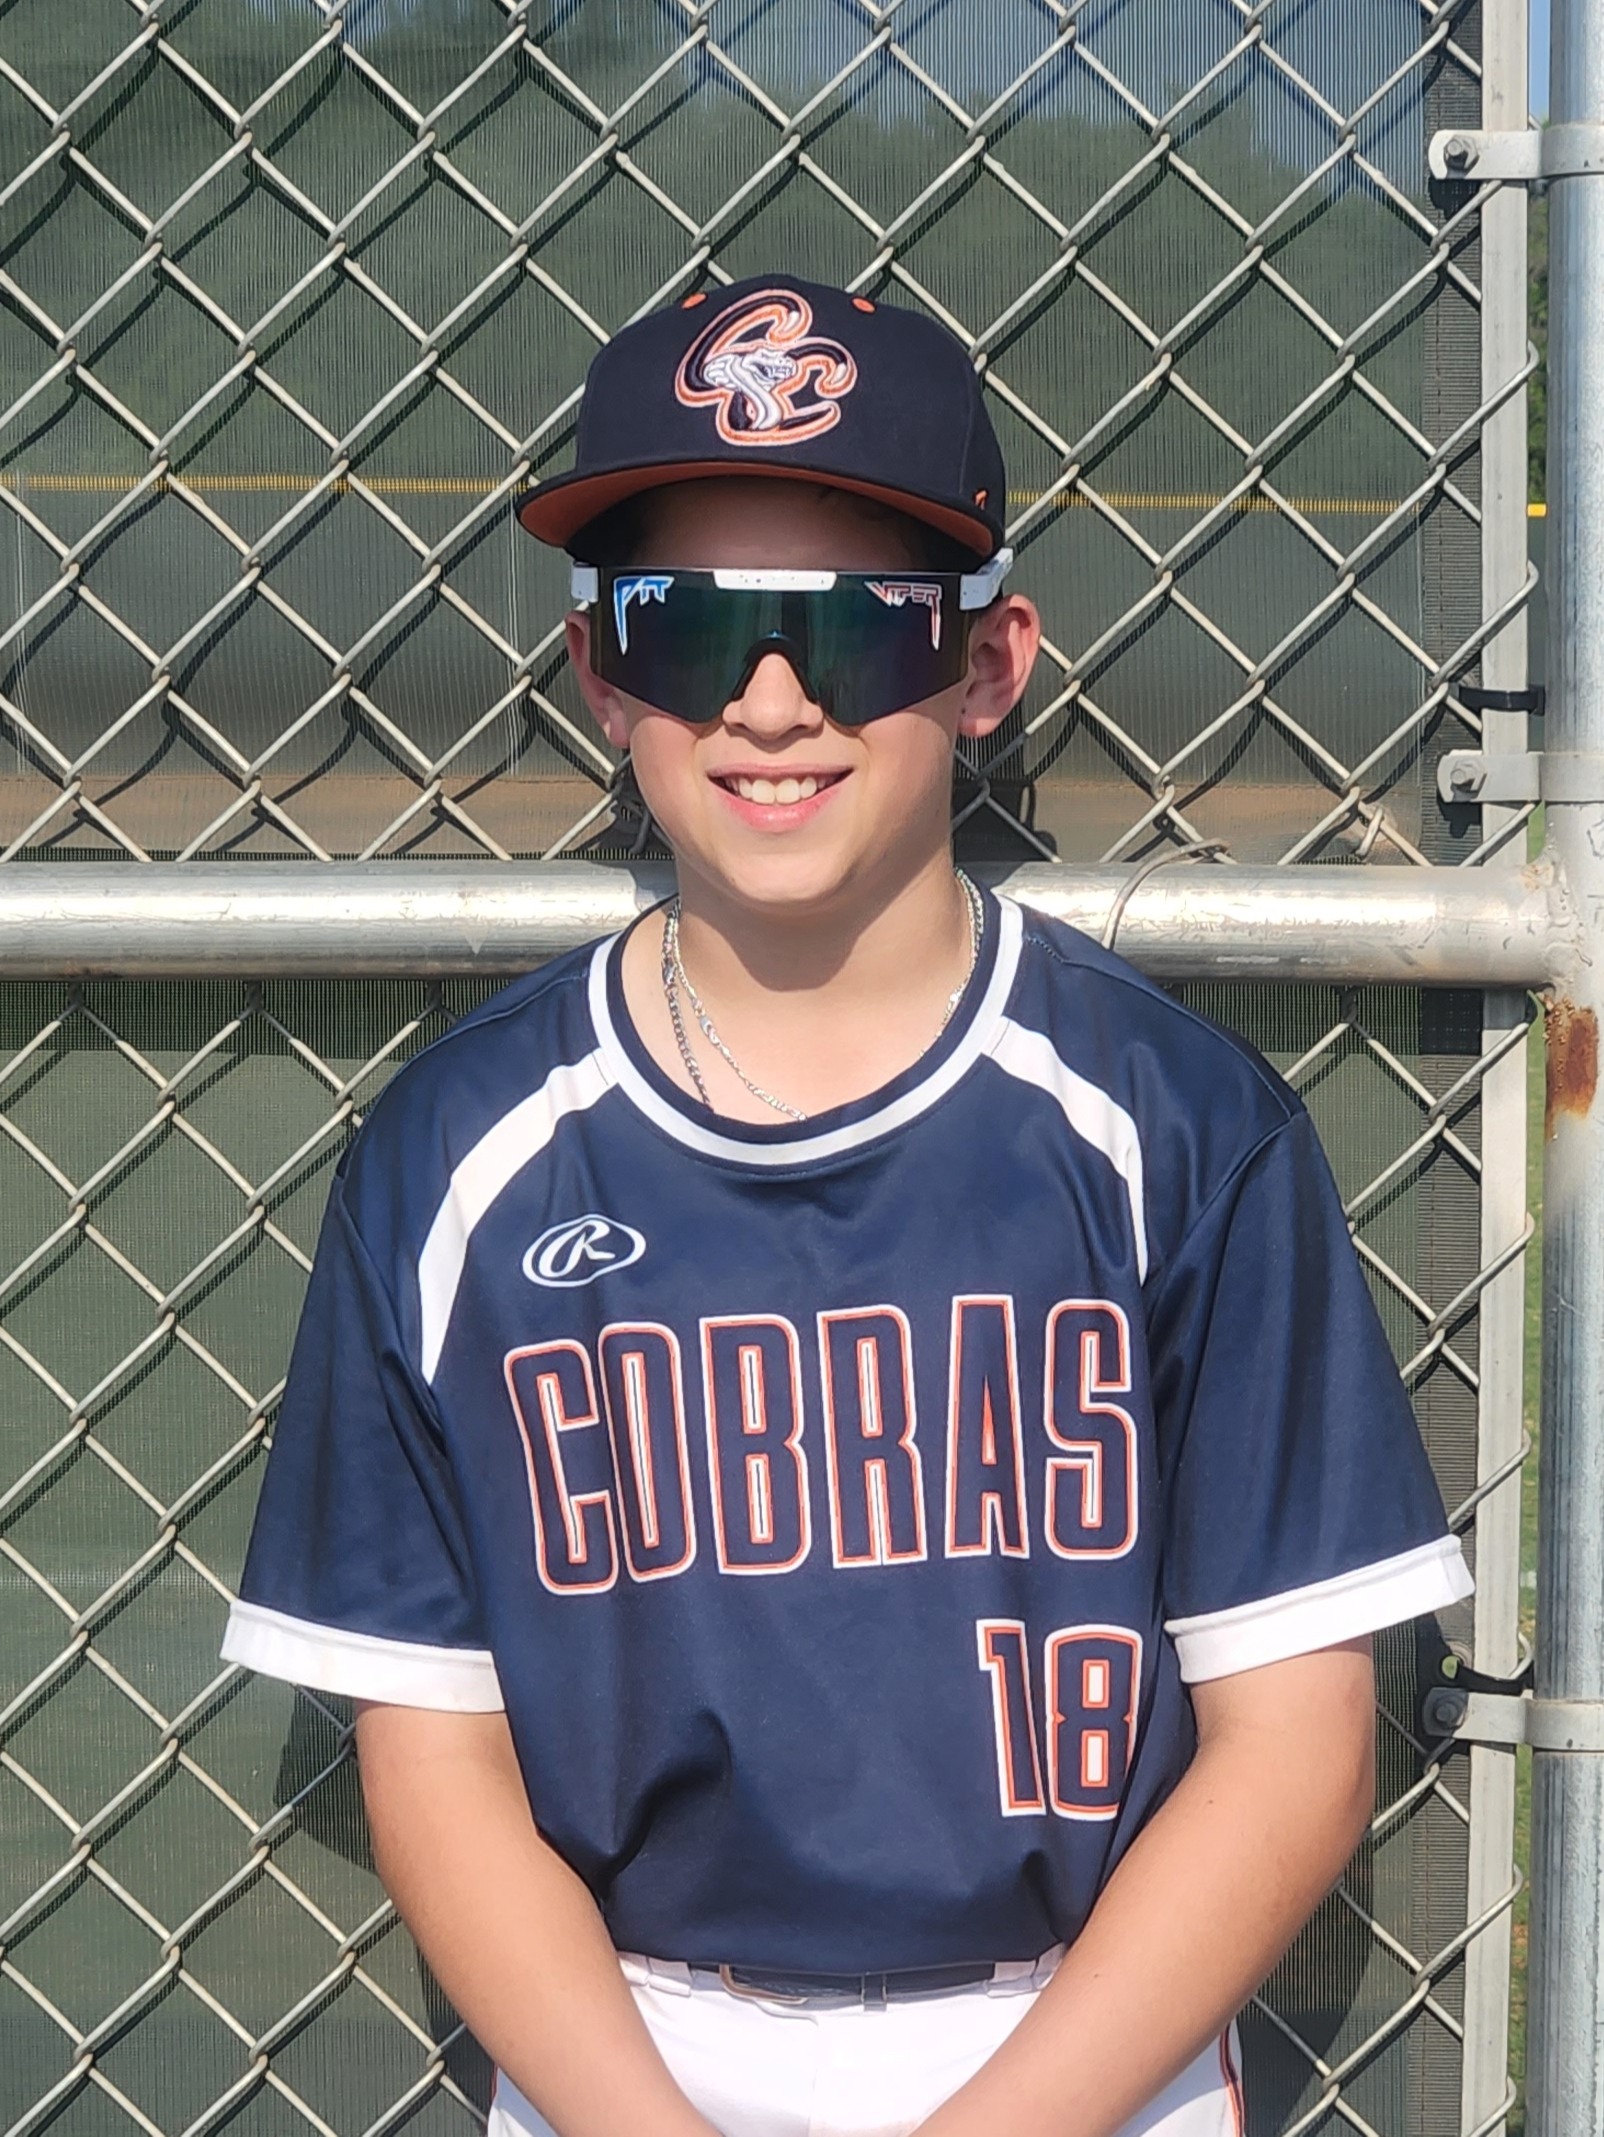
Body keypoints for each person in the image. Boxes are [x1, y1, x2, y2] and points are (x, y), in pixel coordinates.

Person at [221, 275, 1472, 2137]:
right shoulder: (457, 1153)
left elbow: (1295, 1746)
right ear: (601, 670)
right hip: (625, 2043)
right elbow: (433, 1755)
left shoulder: (1175, 1131)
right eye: (686, 621)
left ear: (988, 662)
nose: (771, 699)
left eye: (856, 625)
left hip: (1079, 2042)